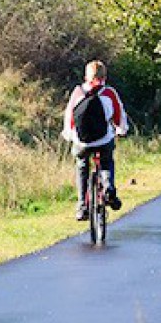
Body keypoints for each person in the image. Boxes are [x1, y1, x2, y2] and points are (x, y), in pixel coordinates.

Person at [62, 60, 128, 221]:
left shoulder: (78, 92)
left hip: (82, 142)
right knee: (106, 161)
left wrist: (69, 135)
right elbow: (119, 116)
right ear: (105, 77)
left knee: (82, 165)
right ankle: (108, 187)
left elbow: (70, 117)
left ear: (86, 76)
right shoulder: (109, 93)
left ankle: (82, 207)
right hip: (104, 140)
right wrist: (121, 130)